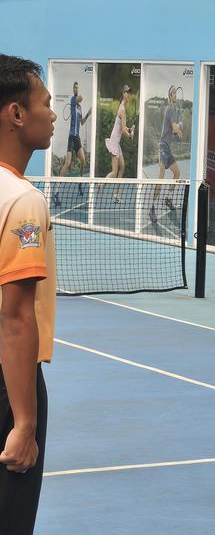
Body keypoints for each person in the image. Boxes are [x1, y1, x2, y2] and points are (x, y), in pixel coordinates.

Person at [0, 55, 58, 534]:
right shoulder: (22, 200)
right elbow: (15, 319)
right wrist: (24, 423)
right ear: (16, 114)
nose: (54, 114)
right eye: (46, 103)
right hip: (8, 384)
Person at [151, 86, 184, 218]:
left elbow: (173, 131)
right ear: (170, 96)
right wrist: (179, 126)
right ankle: (152, 208)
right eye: (173, 93)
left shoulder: (173, 110)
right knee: (161, 176)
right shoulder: (170, 109)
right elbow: (175, 128)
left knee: (177, 173)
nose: (175, 95)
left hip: (168, 149)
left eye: (176, 93)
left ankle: (168, 199)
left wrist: (177, 129)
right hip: (163, 148)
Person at [103, 84, 134, 192]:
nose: (128, 94)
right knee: (114, 172)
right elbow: (123, 131)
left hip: (116, 143)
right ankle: (101, 184)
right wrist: (130, 135)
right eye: (126, 92)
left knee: (122, 167)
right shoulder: (122, 109)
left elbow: (123, 127)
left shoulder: (122, 106)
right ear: (123, 94)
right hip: (114, 143)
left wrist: (129, 129)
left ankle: (116, 193)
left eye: (129, 92)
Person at [60, 82, 89, 177]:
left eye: (77, 88)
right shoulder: (73, 100)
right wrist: (80, 97)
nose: (76, 89)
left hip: (77, 137)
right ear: (73, 90)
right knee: (68, 163)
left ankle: (80, 181)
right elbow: (79, 98)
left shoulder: (80, 108)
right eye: (75, 88)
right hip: (72, 136)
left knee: (83, 160)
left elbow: (82, 122)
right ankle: (57, 186)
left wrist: (88, 114)